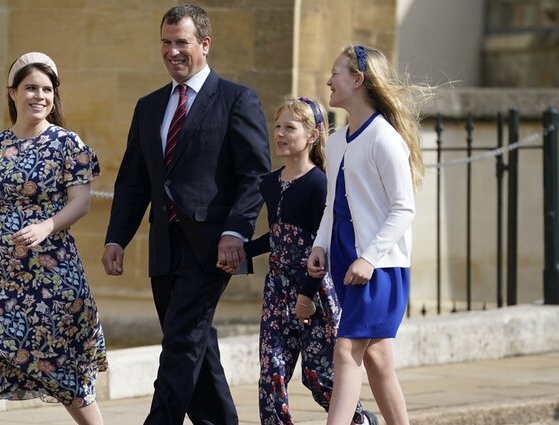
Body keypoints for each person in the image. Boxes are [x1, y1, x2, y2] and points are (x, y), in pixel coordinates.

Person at [101, 4, 271, 424]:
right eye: (166, 42)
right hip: (163, 248)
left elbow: (255, 175)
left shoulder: (236, 99)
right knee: (196, 346)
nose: (172, 51)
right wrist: (115, 238)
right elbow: (133, 182)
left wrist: (236, 231)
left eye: (181, 42)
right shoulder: (148, 107)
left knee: (180, 343)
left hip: (213, 247)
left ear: (204, 45)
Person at [0, 52, 107, 425]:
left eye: (46, 89)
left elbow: (82, 202)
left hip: (51, 279)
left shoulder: (68, 145)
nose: (39, 96)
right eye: (30, 88)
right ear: (12, 93)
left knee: (65, 374)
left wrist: (46, 226)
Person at [307, 44, 427, 425]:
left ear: (357, 80)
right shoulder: (338, 140)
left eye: (336, 73)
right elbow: (331, 205)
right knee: (377, 359)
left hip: (379, 268)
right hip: (344, 257)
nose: (329, 80)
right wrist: (320, 246)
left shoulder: (384, 138)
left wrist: (369, 257)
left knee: (346, 350)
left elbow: (403, 208)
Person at [237, 97, 374, 425]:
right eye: (278, 126)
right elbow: (278, 235)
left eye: (290, 127)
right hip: (277, 292)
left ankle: (359, 421)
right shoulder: (270, 183)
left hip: (314, 293)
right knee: (271, 373)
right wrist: (244, 250)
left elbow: (321, 244)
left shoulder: (319, 184)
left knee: (318, 377)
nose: (280, 134)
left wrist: (306, 294)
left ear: (312, 135)